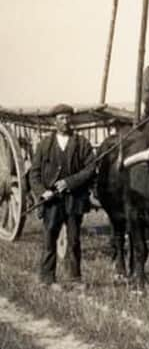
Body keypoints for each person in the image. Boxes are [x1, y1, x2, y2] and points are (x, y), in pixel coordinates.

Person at [29, 104, 95, 291]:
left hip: (74, 200)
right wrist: (43, 192)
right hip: (52, 202)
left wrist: (69, 182)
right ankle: (47, 278)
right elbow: (34, 174)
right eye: (61, 118)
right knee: (50, 237)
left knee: (74, 240)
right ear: (54, 121)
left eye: (68, 118)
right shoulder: (45, 145)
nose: (65, 121)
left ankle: (75, 279)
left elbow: (91, 169)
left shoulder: (82, 143)